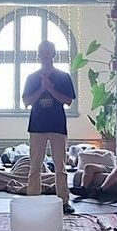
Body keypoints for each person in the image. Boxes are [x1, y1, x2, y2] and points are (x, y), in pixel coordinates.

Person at [22, 40, 78, 213]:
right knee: (34, 167)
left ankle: (63, 201)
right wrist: (41, 89)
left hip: (57, 126)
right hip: (37, 126)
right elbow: (27, 101)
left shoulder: (63, 77)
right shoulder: (32, 78)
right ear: (38, 55)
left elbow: (68, 101)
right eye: (42, 52)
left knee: (60, 167)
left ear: (54, 54)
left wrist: (51, 89)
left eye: (48, 51)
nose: (45, 55)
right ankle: (33, 200)